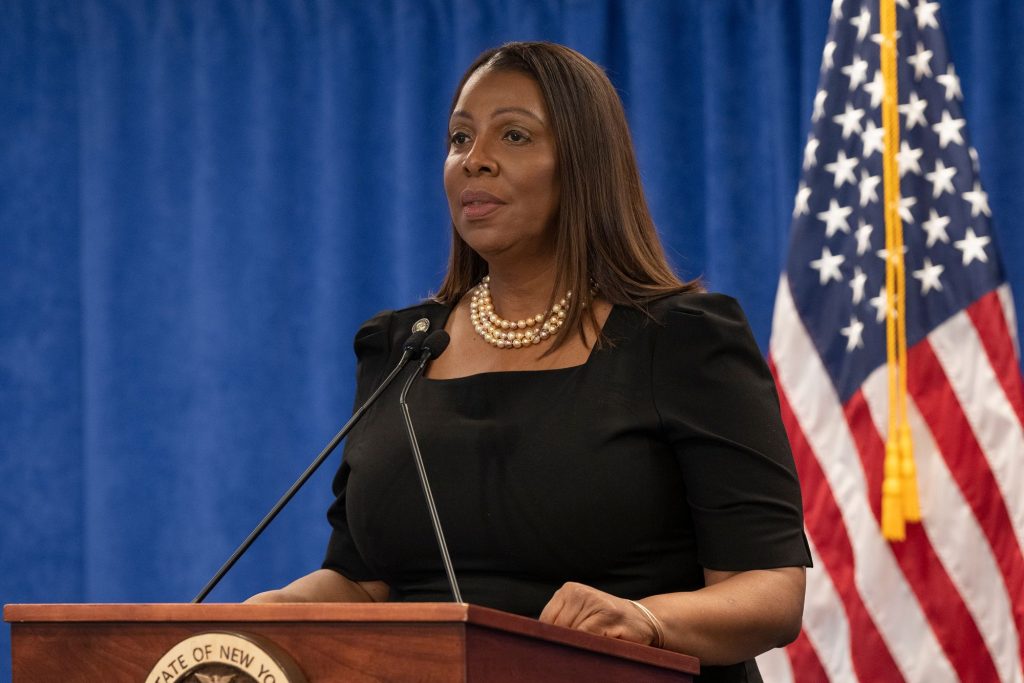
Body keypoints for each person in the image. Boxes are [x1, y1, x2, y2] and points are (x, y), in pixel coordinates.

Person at [248, 41, 811, 682]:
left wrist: (646, 621)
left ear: (582, 165)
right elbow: (362, 582)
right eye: (460, 139)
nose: (474, 161)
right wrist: (259, 621)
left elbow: (770, 592)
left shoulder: (682, 340)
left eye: (513, 136)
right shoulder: (401, 348)